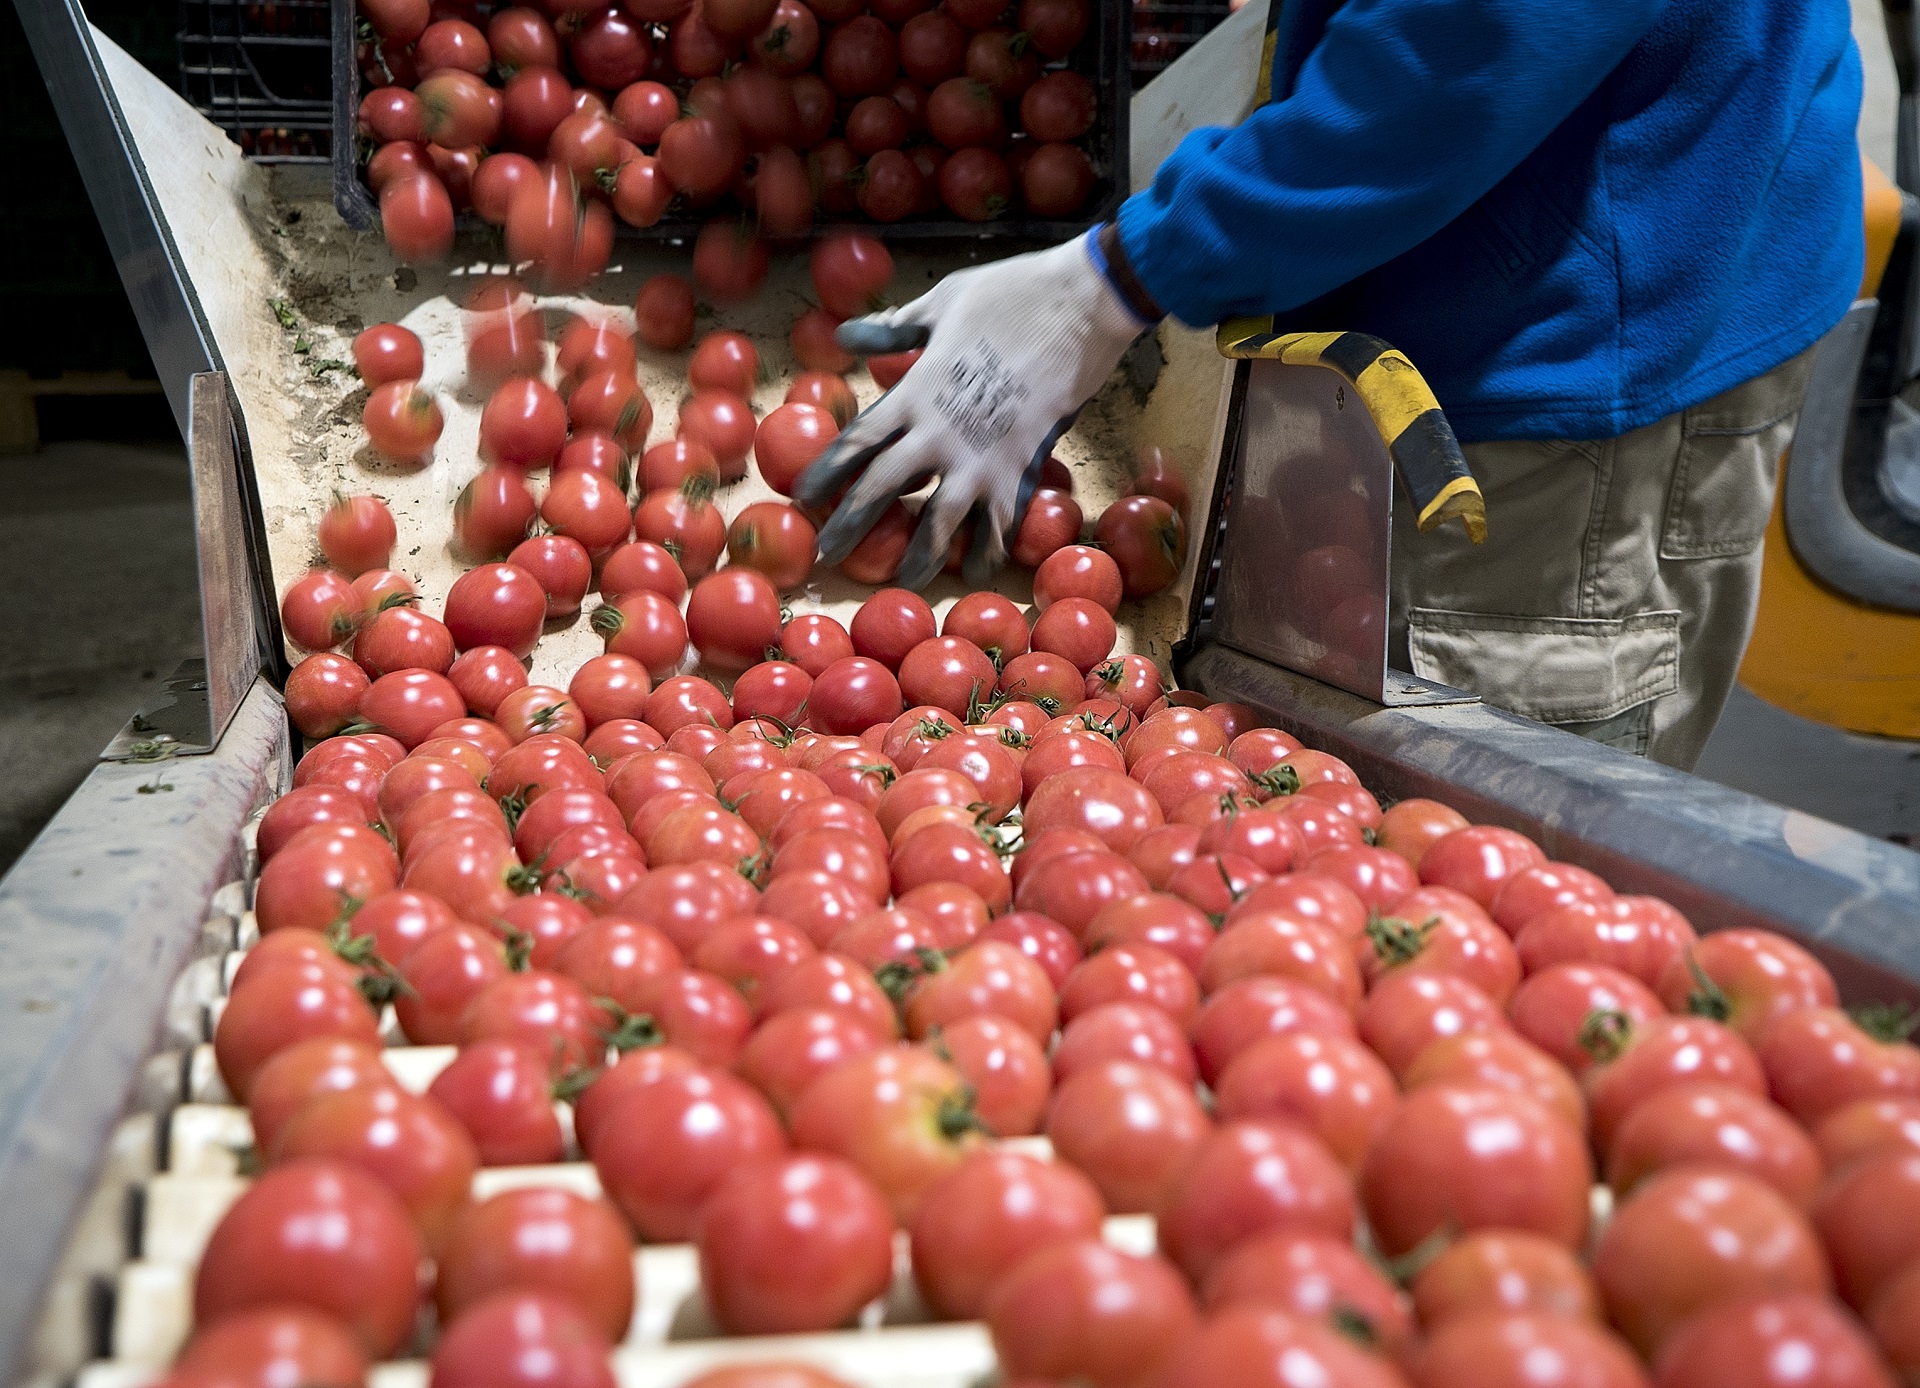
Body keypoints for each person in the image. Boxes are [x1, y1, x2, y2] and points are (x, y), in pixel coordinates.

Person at [796, 0, 1865, 770]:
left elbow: (1483, 37)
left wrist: (1118, 279)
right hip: (1489, 240)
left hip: (1584, 334)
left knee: (1477, 856)